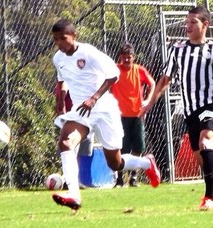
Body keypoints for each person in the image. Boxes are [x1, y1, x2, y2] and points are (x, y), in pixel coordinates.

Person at [51, 19, 160, 211]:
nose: (60, 43)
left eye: (63, 38)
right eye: (56, 39)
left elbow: (113, 75)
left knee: (115, 163)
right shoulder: (58, 58)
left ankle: (146, 162)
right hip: (81, 110)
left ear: (74, 36)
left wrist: (94, 98)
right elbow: (61, 80)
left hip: (104, 108)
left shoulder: (89, 53)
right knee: (66, 143)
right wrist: (60, 101)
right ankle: (74, 196)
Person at [139, 6, 213, 211]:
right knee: (200, 157)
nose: (187, 26)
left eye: (193, 22)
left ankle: (209, 197)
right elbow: (165, 79)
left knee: (206, 141)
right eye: (186, 22)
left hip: (210, 104)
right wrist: (150, 102)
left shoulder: (212, 50)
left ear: (205, 25)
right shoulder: (178, 50)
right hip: (190, 109)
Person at [111, 43, 155, 187]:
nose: (126, 61)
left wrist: (147, 100)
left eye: (129, 58)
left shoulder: (139, 70)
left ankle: (133, 177)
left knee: (138, 147)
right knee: (121, 148)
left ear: (133, 57)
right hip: (120, 115)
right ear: (120, 58)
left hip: (137, 115)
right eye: (123, 58)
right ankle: (119, 179)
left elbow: (152, 84)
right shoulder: (115, 70)